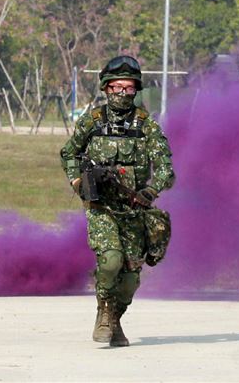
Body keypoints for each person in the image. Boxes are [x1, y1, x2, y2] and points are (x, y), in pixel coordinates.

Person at [60, 55, 175, 347]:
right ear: (106, 89)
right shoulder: (93, 121)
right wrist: (77, 181)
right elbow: (69, 153)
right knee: (111, 261)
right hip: (102, 210)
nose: (123, 94)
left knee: (130, 280)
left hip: (134, 213)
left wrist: (151, 191)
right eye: (116, 88)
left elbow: (165, 169)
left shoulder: (146, 125)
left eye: (128, 88)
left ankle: (114, 317)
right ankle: (103, 312)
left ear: (136, 90)